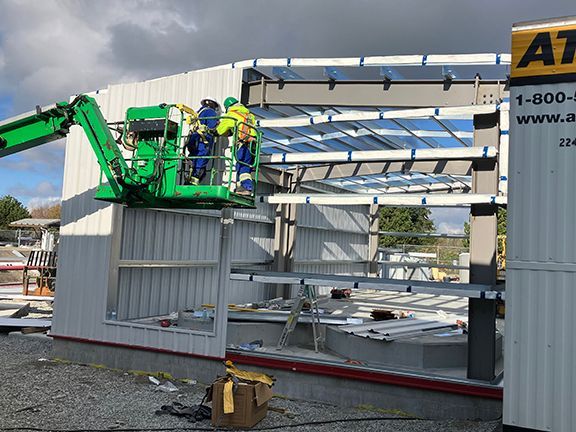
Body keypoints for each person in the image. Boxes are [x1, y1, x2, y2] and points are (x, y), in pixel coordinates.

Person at [216, 96, 258, 195]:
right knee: (245, 166)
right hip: (253, 144)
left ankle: (247, 188)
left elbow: (220, 130)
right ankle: (241, 188)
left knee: (242, 167)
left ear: (227, 107)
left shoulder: (231, 114)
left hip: (244, 144)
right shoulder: (249, 115)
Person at [184, 97, 220, 185]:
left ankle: (189, 179)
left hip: (193, 138)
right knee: (201, 159)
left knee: (193, 159)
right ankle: (194, 181)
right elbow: (212, 127)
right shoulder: (210, 112)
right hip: (203, 140)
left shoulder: (198, 112)